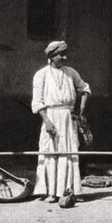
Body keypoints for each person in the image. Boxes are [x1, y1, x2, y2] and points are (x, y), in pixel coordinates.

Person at [31, 40, 91, 203]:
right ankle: (50, 192)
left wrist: (80, 110)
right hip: (50, 116)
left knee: (69, 152)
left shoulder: (71, 72)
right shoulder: (41, 75)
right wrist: (47, 122)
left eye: (65, 54)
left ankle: (69, 190)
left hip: (68, 117)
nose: (64, 57)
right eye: (60, 55)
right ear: (51, 56)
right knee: (51, 152)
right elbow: (37, 102)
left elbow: (84, 88)